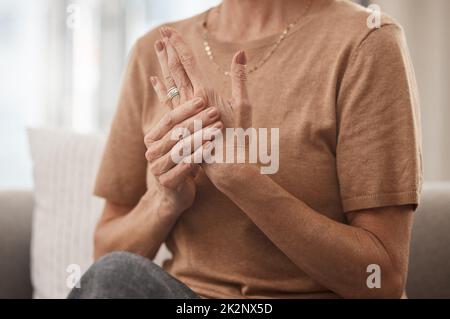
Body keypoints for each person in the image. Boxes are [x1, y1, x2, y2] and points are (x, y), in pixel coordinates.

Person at [68, 0, 422, 299]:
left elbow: (384, 278)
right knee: (114, 274)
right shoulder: (156, 51)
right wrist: (164, 201)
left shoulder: (367, 41)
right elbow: (104, 258)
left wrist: (241, 180)